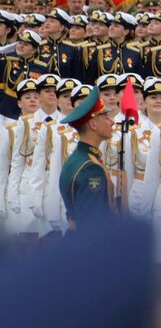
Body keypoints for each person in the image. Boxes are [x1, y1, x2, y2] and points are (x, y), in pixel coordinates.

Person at [57, 88, 116, 228]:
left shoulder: (79, 158)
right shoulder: (90, 168)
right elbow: (91, 221)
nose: (112, 121)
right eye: (106, 117)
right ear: (93, 124)